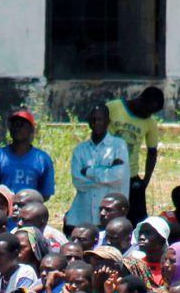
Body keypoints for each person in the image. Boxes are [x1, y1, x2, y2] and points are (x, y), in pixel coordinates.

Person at [106, 86, 164, 223]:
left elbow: (152, 153)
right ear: (141, 100)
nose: (149, 115)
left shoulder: (150, 123)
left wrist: (145, 181)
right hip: (105, 173)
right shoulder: (113, 107)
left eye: (153, 113)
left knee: (137, 221)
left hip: (130, 176)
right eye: (149, 110)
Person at [68, 105, 129, 227]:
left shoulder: (118, 146)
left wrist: (89, 172)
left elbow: (118, 177)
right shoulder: (80, 150)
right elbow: (78, 181)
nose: (96, 123)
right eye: (93, 119)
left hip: (110, 219)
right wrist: (107, 174)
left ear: (108, 121)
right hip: (83, 217)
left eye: (100, 119)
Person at [0, 109, 55, 200]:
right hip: (3, 210)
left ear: (31, 129)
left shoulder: (43, 159)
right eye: (14, 125)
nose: (18, 128)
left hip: (30, 210)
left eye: (22, 125)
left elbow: (46, 193)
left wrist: (27, 201)